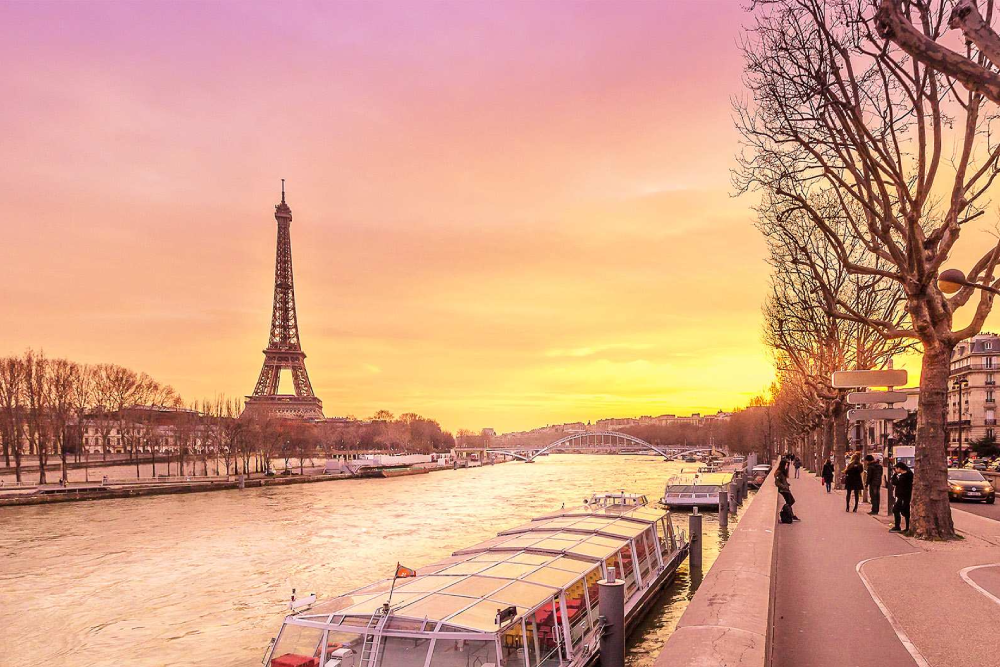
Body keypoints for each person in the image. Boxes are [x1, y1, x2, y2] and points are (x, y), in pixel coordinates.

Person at [890, 461, 913, 533]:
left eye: (896, 469)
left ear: (899, 468)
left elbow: (895, 483)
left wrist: (894, 475)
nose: (895, 470)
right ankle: (906, 527)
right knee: (905, 512)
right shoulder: (908, 474)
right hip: (904, 496)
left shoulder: (904, 477)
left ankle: (898, 526)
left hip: (903, 497)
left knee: (897, 510)